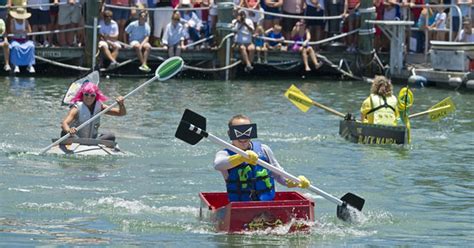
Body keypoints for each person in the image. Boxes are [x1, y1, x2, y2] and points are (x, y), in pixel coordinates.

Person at [213, 114, 311, 202]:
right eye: (238, 131)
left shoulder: (264, 150)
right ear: (230, 134)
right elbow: (218, 165)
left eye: (246, 131)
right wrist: (241, 157)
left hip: (266, 204)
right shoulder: (225, 154)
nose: (243, 136)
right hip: (239, 206)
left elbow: (279, 174)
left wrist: (295, 181)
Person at [61, 82, 126, 141]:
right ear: (82, 95)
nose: (89, 97)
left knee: (111, 136)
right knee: (64, 133)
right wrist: (69, 130)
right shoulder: (76, 108)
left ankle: (94, 142)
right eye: (86, 94)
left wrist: (121, 104)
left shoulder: (100, 106)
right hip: (76, 138)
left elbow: (121, 113)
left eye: (92, 95)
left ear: (96, 96)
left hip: (92, 140)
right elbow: (64, 123)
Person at [9, 7, 36, 73]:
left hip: (24, 40)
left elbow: (29, 31)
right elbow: (12, 31)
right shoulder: (12, 21)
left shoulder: (26, 21)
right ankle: (16, 65)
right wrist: (21, 31)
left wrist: (23, 31)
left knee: (31, 46)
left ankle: (30, 65)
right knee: (15, 47)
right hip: (15, 40)